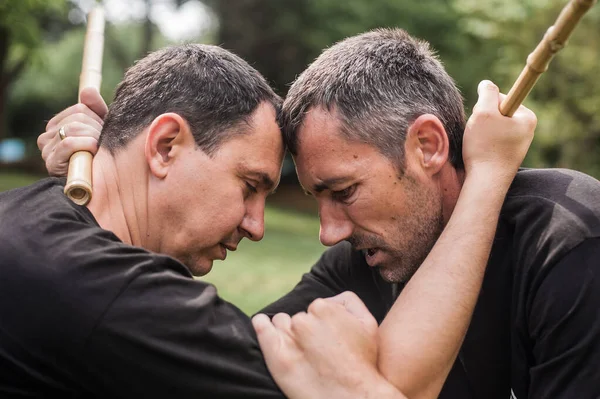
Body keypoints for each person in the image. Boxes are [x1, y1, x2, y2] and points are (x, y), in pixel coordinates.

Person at [31, 38, 538, 399]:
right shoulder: (106, 294)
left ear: (428, 147)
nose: (258, 226)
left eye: (343, 191)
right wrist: (487, 174)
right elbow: (396, 387)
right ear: (164, 146)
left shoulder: (38, 228)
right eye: (250, 186)